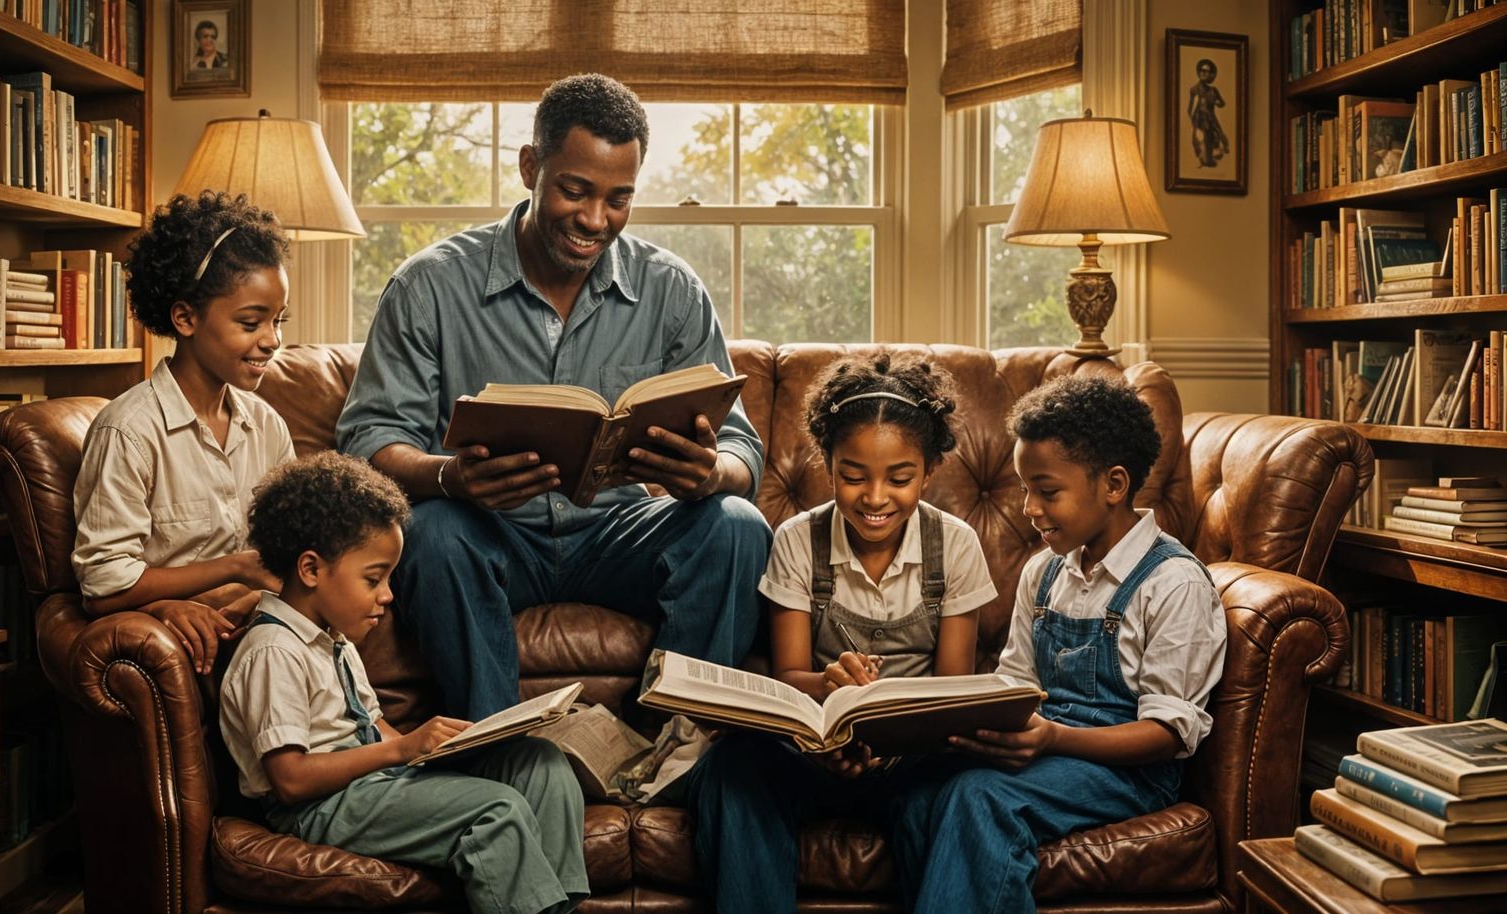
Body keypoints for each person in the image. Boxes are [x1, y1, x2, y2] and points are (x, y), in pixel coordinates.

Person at [336, 73, 770, 720]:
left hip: (619, 532)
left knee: (737, 526)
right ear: (530, 167)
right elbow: (369, 441)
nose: (596, 220)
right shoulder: (428, 287)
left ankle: (670, 747)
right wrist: (452, 478)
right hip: (491, 534)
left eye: (619, 199)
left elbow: (740, 447)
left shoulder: (672, 291)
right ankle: (498, 749)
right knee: (432, 533)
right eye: (575, 191)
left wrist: (713, 473)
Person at [890, 375, 1227, 914]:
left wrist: (1052, 740)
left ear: (1114, 485)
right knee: (919, 794)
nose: (1029, 507)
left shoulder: (1174, 584)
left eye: (1047, 491)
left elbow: (1167, 733)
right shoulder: (1043, 572)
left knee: (979, 797)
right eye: (1026, 490)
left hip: (1129, 771)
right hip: (1043, 747)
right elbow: (1016, 682)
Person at [687, 352, 998, 914]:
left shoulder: (954, 545)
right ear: (827, 465)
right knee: (730, 770)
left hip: (914, 757)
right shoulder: (797, 540)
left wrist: (883, 741)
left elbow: (951, 693)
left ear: (929, 471)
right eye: (853, 476)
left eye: (900, 479)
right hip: (814, 752)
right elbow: (788, 676)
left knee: (963, 787)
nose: (875, 498)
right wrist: (830, 694)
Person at [219, 452, 588, 914]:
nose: (388, 595)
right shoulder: (274, 650)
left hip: (375, 782)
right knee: (494, 809)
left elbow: (373, 725)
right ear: (311, 570)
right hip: (319, 807)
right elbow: (290, 780)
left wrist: (435, 750)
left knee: (540, 765)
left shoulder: (334, 639)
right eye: (374, 578)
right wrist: (401, 749)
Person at [72, 191, 294, 675]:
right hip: (197, 653)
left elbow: (286, 552)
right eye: (251, 322)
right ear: (185, 318)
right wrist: (230, 571)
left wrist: (256, 593)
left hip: (261, 631)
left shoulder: (267, 427)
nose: (273, 339)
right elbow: (104, 583)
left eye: (279, 321)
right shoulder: (129, 432)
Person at [1187, 57, 1228, 168]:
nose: (1203, 73)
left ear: (1211, 74)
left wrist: (1216, 102)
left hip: (1211, 118)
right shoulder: (1194, 89)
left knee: (1216, 137)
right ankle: (1204, 159)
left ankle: (1211, 157)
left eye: (1206, 71)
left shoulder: (1213, 90)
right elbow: (1190, 108)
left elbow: (1222, 103)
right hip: (1200, 119)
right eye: (1201, 70)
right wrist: (1194, 121)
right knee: (1200, 140)